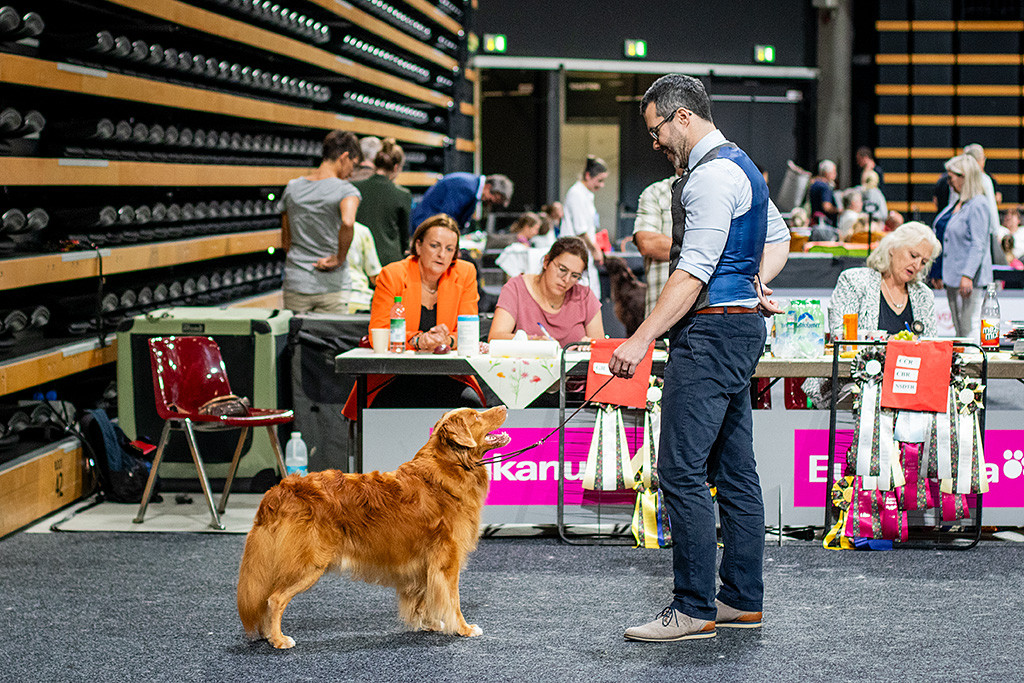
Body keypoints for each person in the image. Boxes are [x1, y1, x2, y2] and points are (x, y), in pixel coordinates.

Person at [609, 74, 790, 642]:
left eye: (657, 129)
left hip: (710, 336)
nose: (655, 142)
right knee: (736, 472)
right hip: (737, 332)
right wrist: (755, 282)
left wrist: (640, 338)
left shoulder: (709, 178)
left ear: (682, 117)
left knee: (680, 469)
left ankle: (693, 609)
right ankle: (741, 599)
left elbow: (692, 273)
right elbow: (779, 237)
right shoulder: (743, 167)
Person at [342, 214, 483, 419]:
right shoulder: (393, 275)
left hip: (449, 375)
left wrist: (446, 340)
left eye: (449, 249)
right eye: (435, 245)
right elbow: (379, 334)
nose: (442, 255)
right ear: (418, 246)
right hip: (393, 376)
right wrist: (419, 340)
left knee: (471, 409)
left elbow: (467, 331)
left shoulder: (465, 273)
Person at [280, 130, 362, 313]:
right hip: (331, 287)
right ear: (345, 157)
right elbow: (348, 222)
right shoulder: (346, 191)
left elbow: (286, 242)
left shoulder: (293, 188)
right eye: (353, 165)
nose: (351, 173)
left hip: (297, 282)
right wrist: (340, 258)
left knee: (295, 339)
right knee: (331, 340)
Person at [829, 221, 941, 337]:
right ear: (892, 248)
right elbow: (839, 335)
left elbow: (930, 343)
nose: (917, 266)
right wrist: (895, 342)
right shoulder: (854, 281)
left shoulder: (924, 295)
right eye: (913, 255)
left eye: (923, 262)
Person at [489, 236, 603, 346]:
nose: (566, 279)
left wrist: (590, 344)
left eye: (575, 276)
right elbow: (496, 338)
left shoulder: (584, 296)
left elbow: (600, 346)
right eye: (562, 270)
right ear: (546, 261)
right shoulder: (516, 289)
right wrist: (534, 340)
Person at [932, 154, 993, 338]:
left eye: (951, 178)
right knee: (960, 329)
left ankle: (976, 366)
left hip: (968, 280)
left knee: (969, 329)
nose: (948, 183)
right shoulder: (957, 203)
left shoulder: (978, 204)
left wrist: (967, 275)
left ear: (964, 177)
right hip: (952, 277)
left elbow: (978, 244)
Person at [353, 138, 412, 266]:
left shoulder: (354, 187)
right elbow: (404, 237)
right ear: (396, 167)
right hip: (389, 261)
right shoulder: (402, 194)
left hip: (359, 257)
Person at [632, 168, 684, 316]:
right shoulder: (655, 192)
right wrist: (705, 249)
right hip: (661, 315)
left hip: (707, 315)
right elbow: (648, 243)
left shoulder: (715, 192)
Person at [562, 156, 609, 300]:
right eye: (599, 180)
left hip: (584, 253)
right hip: (575, 252)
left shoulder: (586, 195)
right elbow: (581, 230)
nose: (601, 185)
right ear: (588, 175)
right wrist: (595, 251)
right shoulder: (576, 194)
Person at [410, 173, 513, 232]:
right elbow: (446, 218)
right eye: (491, 199)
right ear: (489, 187)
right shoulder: (467, 188)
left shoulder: (471, 185)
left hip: (427, 224)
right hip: (423, 225)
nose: (489, 203)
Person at [963, 143, 1005, 266]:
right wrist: (996, 231)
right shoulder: (984, 179)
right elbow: (991, 208)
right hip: (983, 232)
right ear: (979, 160)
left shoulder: (959, 178)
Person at [344, 221, 383, 313]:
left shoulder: (318, 229)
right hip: (360, 297)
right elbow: (374, 274)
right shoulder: (361, 230)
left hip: (326, 295)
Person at [495, 212, 545, 280]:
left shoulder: (526, 242)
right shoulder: (515, 243)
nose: (536, 232)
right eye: (535, 229)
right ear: (527, 227)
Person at [808, 160, 840, 226]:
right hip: (825, 224)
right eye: (834, 172)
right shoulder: (825, 187)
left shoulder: (814, 184)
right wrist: (839, 210)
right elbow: (827, 207)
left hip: (814, 221)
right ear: (826, 173)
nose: (835, 175)